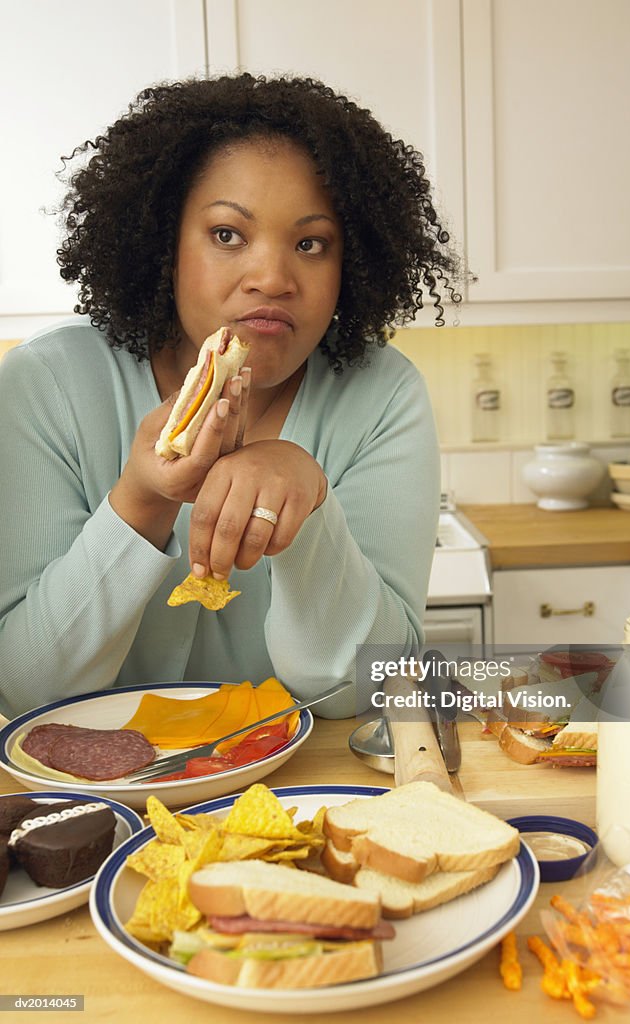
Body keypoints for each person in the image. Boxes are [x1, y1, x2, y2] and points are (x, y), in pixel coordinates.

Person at [0, 73, 461, 720]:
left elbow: (369, 686)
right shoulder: (44, 385)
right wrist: (139, 499)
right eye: (227, 235)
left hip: (302, 804)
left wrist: (307, 505)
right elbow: (28, 693)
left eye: (310, 244)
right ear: (166, 244)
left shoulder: (383, 395)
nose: (273, 277)